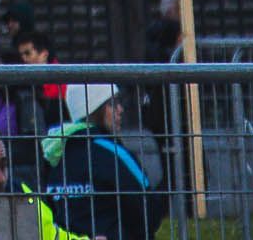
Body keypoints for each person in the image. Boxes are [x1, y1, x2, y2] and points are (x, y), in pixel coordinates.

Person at [40, 83, 167, 240]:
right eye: (112, 104)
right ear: (95, 110)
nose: (120, 109)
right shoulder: (112, 153)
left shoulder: (54, 155)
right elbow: (149, 211)